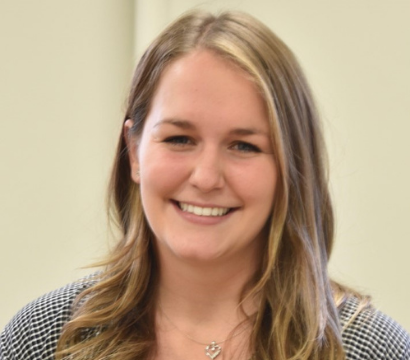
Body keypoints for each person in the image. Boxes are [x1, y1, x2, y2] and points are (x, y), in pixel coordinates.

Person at [1, 10, 408, 360]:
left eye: (244, 146)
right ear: (134, 151)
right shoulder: (46, 338)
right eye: (180, 139)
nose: (206, 177)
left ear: (291, 167)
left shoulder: (366, 349)